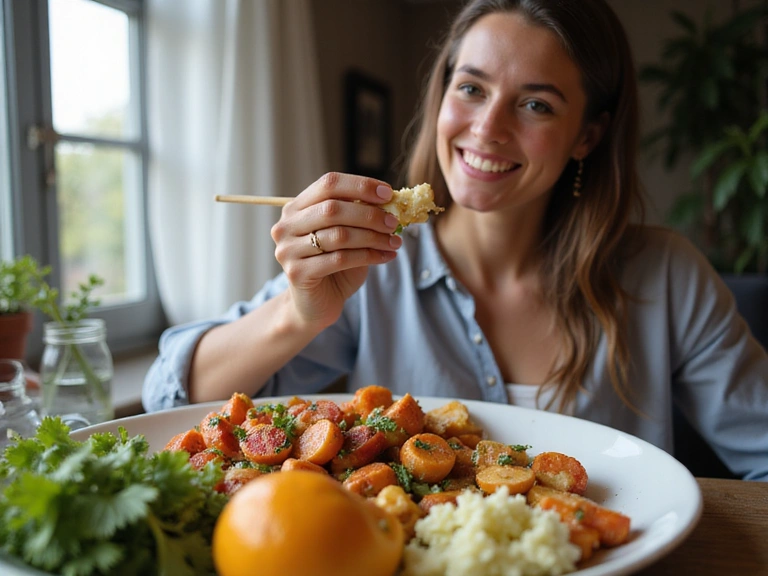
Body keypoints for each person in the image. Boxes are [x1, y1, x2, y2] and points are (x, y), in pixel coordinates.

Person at [143, 0, 768, 481]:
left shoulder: (668, 277)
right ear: (442, 95)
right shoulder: (373, 265)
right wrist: (297, 312)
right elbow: (170, 396)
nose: (487, 128)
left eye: (537, 106)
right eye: (470, 88)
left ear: (588, 136)